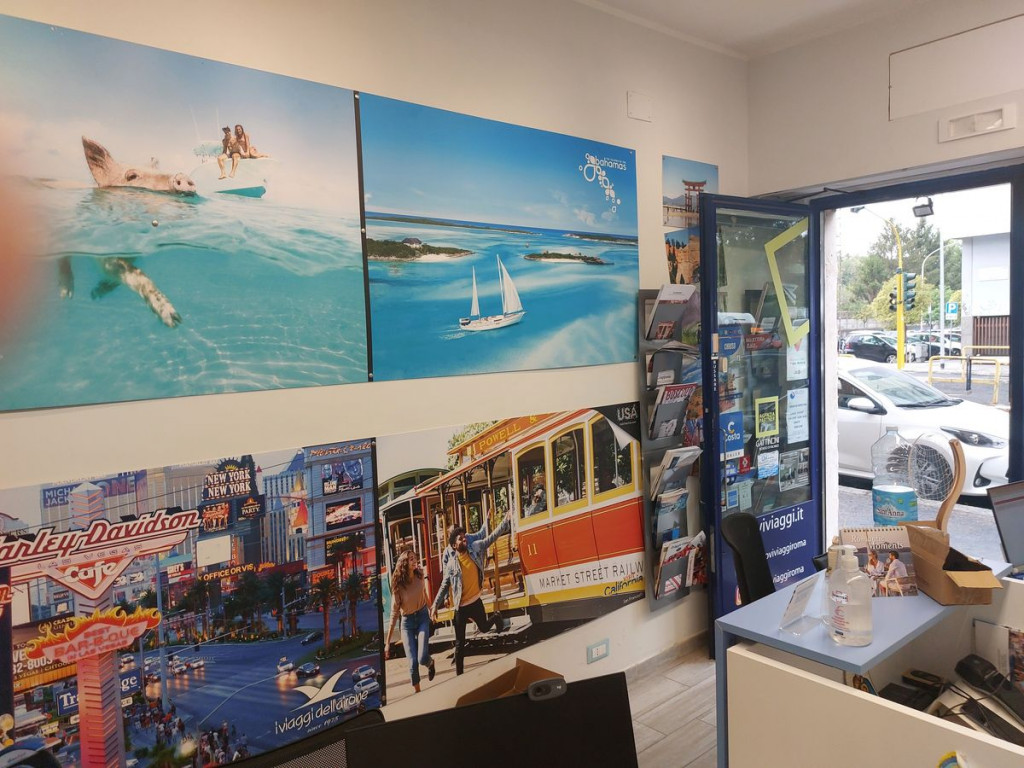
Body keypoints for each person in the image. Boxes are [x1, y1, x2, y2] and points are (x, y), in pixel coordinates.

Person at [430, 511, 512, 675]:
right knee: (459, 643)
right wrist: (434, 606)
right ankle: (459, 675)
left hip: (475, 601)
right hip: (461, 607)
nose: (464, 540)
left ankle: (496, 617)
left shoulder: (474, 548)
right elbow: (444, 585)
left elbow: (490, 538)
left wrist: (504, 521)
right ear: (454, 545)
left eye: (464, 537)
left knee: (484, 628)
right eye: (460, 539)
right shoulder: (451, 564)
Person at [384, 549, 435, 692]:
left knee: (422, 657)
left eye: (415, 557)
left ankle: (430, 663)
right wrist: (387, 643)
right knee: (412, 662)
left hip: (422, 617)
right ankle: (418, 692)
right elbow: (394, 614)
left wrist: (431, 608)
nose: (415, 560)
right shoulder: (398, 586)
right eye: (411, 559)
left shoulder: (420, 575)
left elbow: (424, 593)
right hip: (407, 623)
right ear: (404, 563)